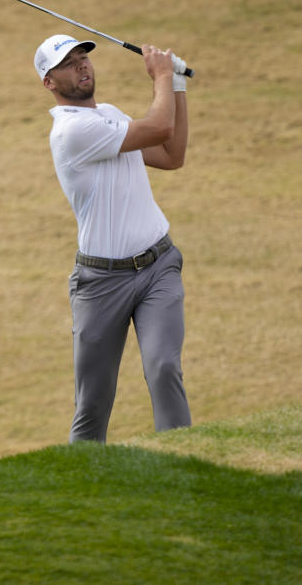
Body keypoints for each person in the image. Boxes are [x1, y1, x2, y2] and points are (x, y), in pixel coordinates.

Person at [34, 34, 192, 441]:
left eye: (83, 57)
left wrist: (177, 84)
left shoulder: (108, 115)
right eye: (67, 63)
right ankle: (85, 491)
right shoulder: (72, 133)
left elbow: (171, 155)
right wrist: (159, 76)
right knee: (93, 403)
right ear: (49, 83)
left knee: (163, 367)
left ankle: (182, 465)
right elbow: (159, 125)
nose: (82, 65)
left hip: (158, 266)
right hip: (101, 283)